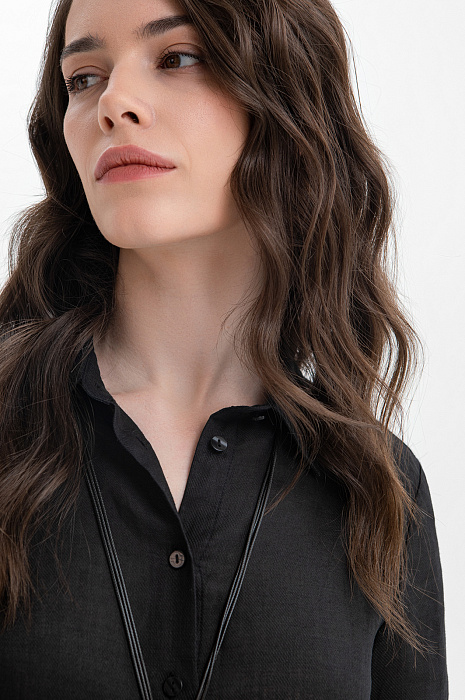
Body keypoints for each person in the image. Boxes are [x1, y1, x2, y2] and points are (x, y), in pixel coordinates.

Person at [0, 0, 447, 697]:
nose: (112, 103)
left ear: (284, 97)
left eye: (177, 58)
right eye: (84, 77)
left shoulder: (380, 488)